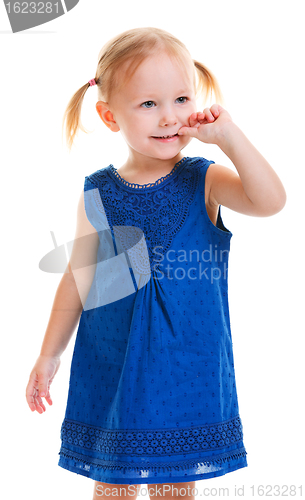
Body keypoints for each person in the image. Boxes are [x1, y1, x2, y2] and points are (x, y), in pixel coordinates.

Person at [26, 27, 286, 500]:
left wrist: (226, 136)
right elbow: (78, 279)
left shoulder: (204, 179)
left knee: (174, 482)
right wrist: (49, 354)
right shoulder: (97, 190)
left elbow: (270, 201)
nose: (169, 117)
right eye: (148, 104)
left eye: (182, 98)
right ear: (109, 116)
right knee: (112, 482)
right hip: (114, 362)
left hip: (185, 366)